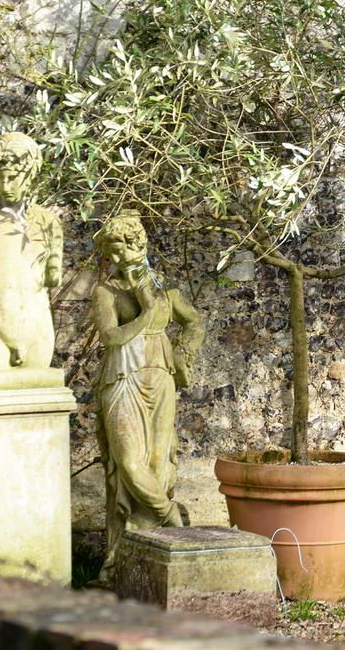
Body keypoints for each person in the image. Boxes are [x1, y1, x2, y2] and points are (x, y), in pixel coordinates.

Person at [92, 212, 204, 578]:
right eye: (110, 253)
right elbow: (110, 336)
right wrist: (145, 312)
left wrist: (183, 353)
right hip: (122, 376)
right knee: (128, 463)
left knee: (158, 464)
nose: (115, 258)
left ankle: (151, 555)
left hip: (161, 378)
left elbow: (194, 322)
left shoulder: (163, 288)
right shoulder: (106, 291)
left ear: (138, 245)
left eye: (121, 249)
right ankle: (173, 522)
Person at [0, 131, 62, 371]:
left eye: (13, 177)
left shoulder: (49, 222)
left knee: (41, 391)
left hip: (38, 325)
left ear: (30, 174)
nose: (5, 185)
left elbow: (53, 278)